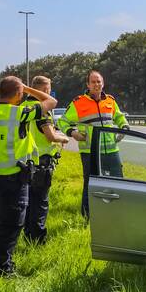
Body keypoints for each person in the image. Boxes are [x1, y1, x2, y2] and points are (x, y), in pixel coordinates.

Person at [0, 76, 57, 276]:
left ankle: (0, 264)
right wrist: (29, 89)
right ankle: (3, 270)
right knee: (11, 226)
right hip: (13, 179)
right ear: (19, 94)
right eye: (21, 92)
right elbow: (51, 102)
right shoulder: (19, 113)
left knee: (0, 224)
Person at [57, 69, 129, 218]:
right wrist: (73, 133)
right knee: (91, 184)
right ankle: (88, 217)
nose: (96, 84)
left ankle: (117, 213)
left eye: (99, 81)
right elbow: (62, 121)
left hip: (111, 151)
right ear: (87, 84)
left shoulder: (110, 100)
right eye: (93, 82)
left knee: (118, 182)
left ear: (103, 83)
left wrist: (124, 128)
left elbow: (120, 118)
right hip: (90, 152)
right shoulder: (78, 103)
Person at [21, 76, 70, 244]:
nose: (49, 92)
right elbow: (50, 136)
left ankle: (27, 235)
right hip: (41, 162)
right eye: (48, 89)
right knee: (40, 203)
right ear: (43, 90)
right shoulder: (40, 108)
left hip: (24, 161)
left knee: (27, 203)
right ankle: (38, 240)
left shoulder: (21, 107)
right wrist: (64, 138)